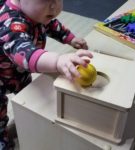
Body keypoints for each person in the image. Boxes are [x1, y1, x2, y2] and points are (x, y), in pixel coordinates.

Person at [0, 0, 93, 149]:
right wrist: (57, 61)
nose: (54, 6)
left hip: (20, 73)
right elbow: (25, 54)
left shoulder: (38, 14)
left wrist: (71, 39)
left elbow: (53, 25)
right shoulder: (11, 22)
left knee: (29, 100)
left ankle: (28, 122)